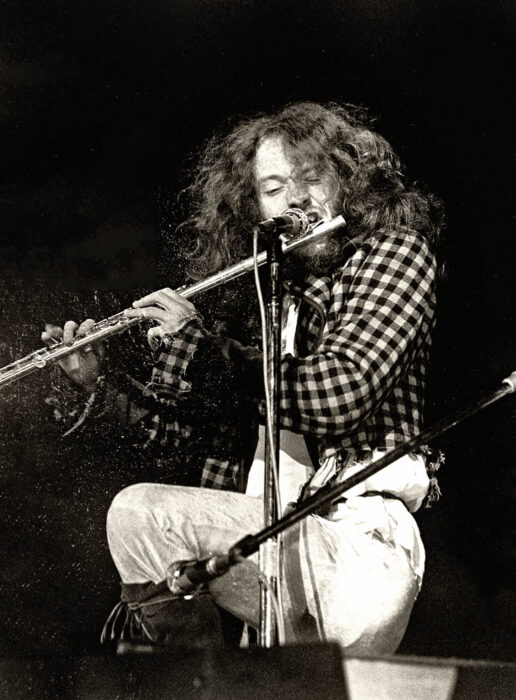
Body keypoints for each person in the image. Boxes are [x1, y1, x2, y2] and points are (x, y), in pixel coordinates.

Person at [46, 102, 445, 655]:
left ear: (347, 184)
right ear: (253, 206)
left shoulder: (393, 254)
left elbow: (340, 392)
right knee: (141, 520)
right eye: (274, 188)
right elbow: (178, 437)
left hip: (355, 546)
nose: (295, 200)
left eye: (312, 179)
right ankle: (199, 683)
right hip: (265, 547)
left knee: (141, 512)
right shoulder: (254, 300)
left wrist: (209, 353)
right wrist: (99, 383)